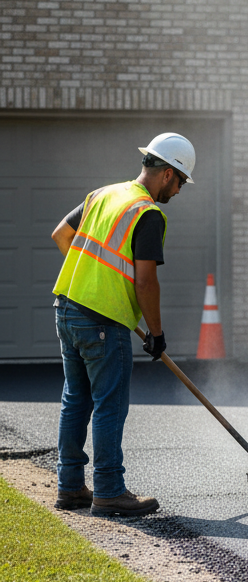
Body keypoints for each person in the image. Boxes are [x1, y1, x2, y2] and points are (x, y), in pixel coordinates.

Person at [50, 132, 196, 518]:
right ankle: (110, 491)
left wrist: (92, 277)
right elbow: (146, 281)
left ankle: (70, 487)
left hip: (66, 307)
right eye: (181, 182)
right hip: (102, 321)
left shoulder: (103, 195)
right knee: (109, 405)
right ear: (167, 174)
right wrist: (158, 335)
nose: (179, 191)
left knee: (75, 400)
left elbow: (61, 235)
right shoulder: (147, 214)